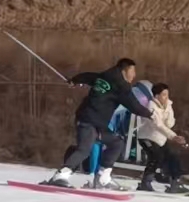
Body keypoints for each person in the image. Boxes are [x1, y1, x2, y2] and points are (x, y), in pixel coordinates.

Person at [44, 57, 151, 190]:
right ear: (124, 70)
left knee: (116, 143)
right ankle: (60, 176)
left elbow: (87, 76)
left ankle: (103, 178)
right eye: (132, 71)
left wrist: (74, 80)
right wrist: (150, 114)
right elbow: (134, 106)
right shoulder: (121, 87)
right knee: (84, 149)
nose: (134, 75)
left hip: (99, 124)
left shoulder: (103, 77)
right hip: (88, 120)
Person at [134, 82, 189, 192]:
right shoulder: (151, 106)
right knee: (156, 157)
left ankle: (174, 182)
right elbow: (157, 124)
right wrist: (173, 137)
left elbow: (170, 124)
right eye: (164, 95)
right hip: (147, 137)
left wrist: (168, 109)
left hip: (160, 138)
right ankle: (146, 182)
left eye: (167, 94)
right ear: (156, 96)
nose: (166, 97)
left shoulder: (168, 105)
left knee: (172, 156)